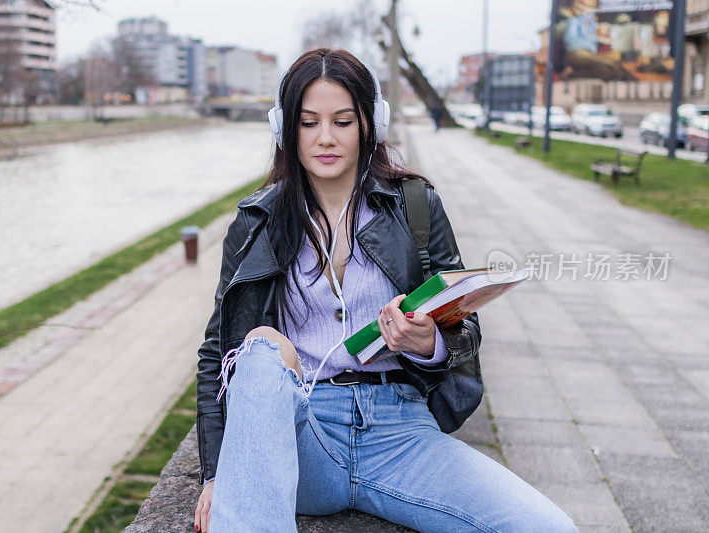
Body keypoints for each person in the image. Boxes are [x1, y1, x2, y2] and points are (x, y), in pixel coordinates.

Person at [193, 48, 577, 533]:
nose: (326, 138)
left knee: (548, 527)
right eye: (308, 122)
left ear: (370, 124)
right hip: (303, 433)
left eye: (343, 121)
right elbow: (217, 351)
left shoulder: (415, 205)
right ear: (284, 129)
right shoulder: (257, 222)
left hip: (402, 433)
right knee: (262, 346)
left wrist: (427, 344)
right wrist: (217, 473)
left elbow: (465, 328)